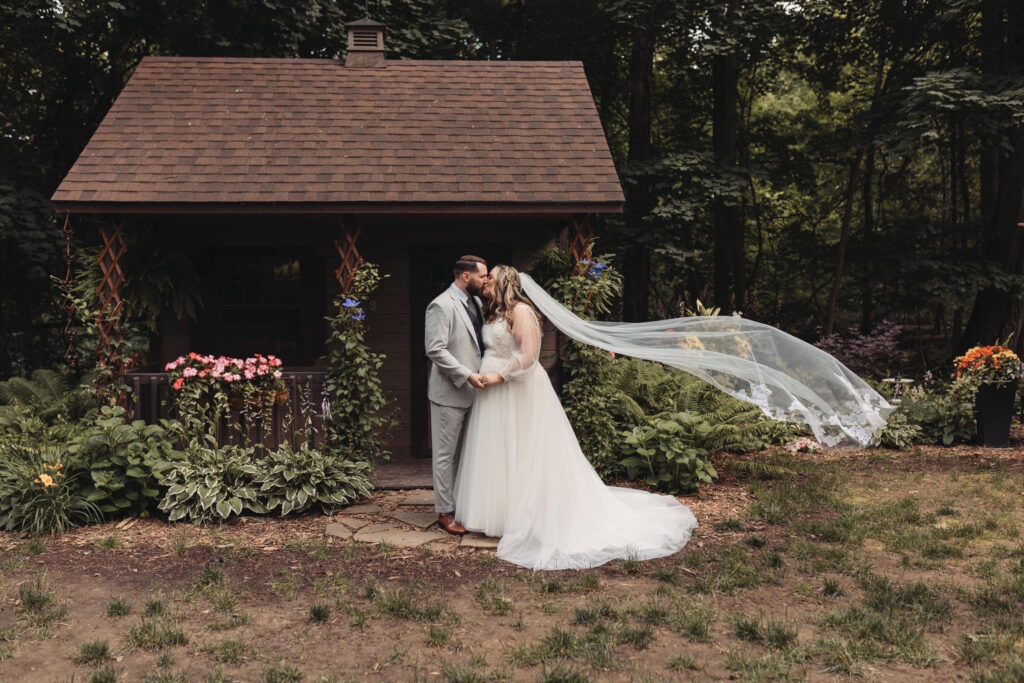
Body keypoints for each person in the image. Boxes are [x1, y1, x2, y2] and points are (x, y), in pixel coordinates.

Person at [453, 265, 699, 570]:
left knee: (525, 450)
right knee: (498, 450)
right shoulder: (493, 312)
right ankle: (499, 514)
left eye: (490, 276)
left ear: (504, 282)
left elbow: (528, 357)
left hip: (515, 389)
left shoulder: (522, 312)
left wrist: (497, 376)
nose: (485, 280)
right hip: (492, 392)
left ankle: (528, 516)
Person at [423, 255, 489, 536]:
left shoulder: (474, 303)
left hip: (475, 391)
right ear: (466, 276)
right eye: (482, 276)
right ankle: (445, 512)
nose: (485, 281)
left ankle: (461, 505)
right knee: (445, 455)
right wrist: (466, 374)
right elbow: (435, 350)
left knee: (466, 453)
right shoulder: (440, 305)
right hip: (450, 391)